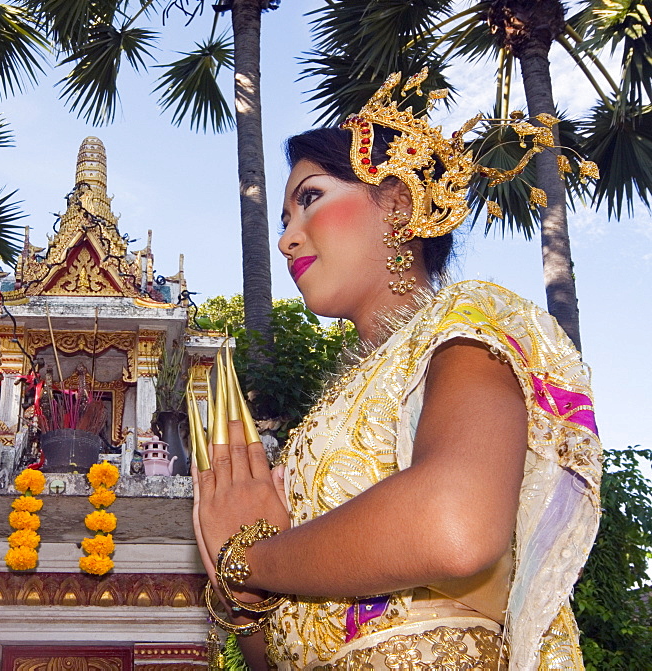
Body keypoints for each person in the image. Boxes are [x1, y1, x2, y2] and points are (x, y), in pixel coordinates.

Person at [192, 70, 602, 670]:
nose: (286, 240)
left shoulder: (468, 322)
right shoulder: (319, 430)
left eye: (310, 198)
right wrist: (242, 596)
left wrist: (252, 560)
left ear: (399, 202)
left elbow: (456, 522)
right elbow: (282, 653)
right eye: (282, 219)